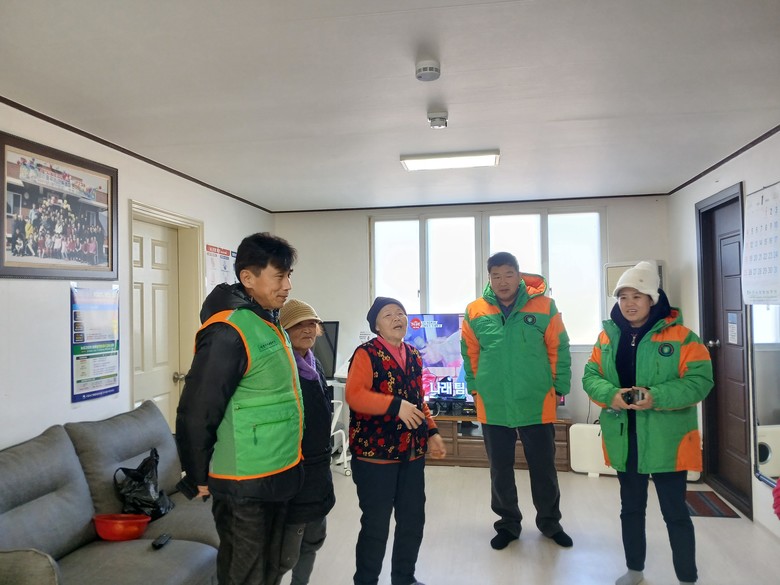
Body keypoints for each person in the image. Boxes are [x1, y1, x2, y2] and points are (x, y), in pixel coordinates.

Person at [176, 232, 305, 585]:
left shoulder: (267, 320)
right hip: (243, 482)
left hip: (279, 471)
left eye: (289, 275)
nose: (288, 286)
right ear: (248, 277)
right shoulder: (228, 332)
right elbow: (197, 410)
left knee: (271, 569)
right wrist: (197, 475)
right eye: (279, 276)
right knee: (244, 575)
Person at [582, 260, 713, 585]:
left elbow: (700, 382)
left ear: (652, 299)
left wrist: (656, 396)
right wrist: (611, 395)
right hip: (626, 438)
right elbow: (590, 376)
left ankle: (687, 578)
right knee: (631, 509)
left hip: (668, 439)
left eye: (637, 296)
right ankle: (635, 571)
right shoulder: (607, 337)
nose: (629, 303)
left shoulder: (683, 337)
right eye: (623, 297)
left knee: (675, 513)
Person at [460, 251, 573, 550]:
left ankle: (550, 523)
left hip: (536, 400)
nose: (502, 281)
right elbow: (470, 354)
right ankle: (508, 524)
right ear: (489, 278)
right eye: (495, 276)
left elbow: (559, 348)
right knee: (500, 469)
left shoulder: (545, 306)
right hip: (494, 403)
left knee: (544, 469)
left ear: (519, 275)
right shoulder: (475, 311)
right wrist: (475, 388)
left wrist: (559, 387)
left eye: (508, 274)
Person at [346, 297, 447, 585]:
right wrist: (395, 406)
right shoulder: (366, 354)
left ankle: (404, 578)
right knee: (376, 526)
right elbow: (354, 395)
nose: (397, 318)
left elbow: (418, 400)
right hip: (375, 456)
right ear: (376, 326)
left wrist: (432, 431)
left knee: (412, 521)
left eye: (400, 313)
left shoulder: (414, 354)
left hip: (412, 454)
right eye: (388, 314)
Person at [278, 299, 337, 585]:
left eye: (312, 324)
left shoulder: (315, 365)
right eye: (298, 325)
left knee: (313, 539)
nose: (307, 329)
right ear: (284, 330)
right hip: (292, 470)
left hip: (318, 469)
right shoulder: (280, 368)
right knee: (286, 551)